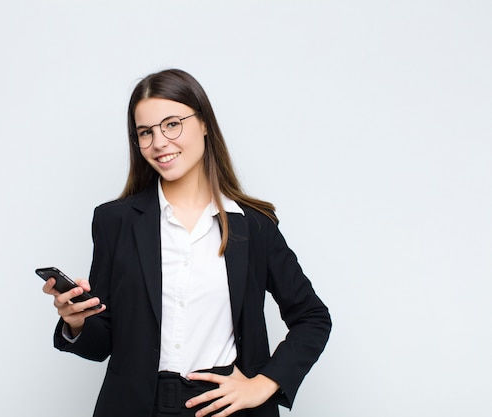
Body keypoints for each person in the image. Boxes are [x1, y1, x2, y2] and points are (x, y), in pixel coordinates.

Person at [42, 69, 331, 417]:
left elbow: (313, 317)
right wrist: (77, 321)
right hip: (136, 407)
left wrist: (264, 383)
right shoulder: (115, 222)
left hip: (225, 408)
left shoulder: (254, 226)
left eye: (172, 124)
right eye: (145, 132)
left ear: (205, 123)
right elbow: (103, 342)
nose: (159, 142)